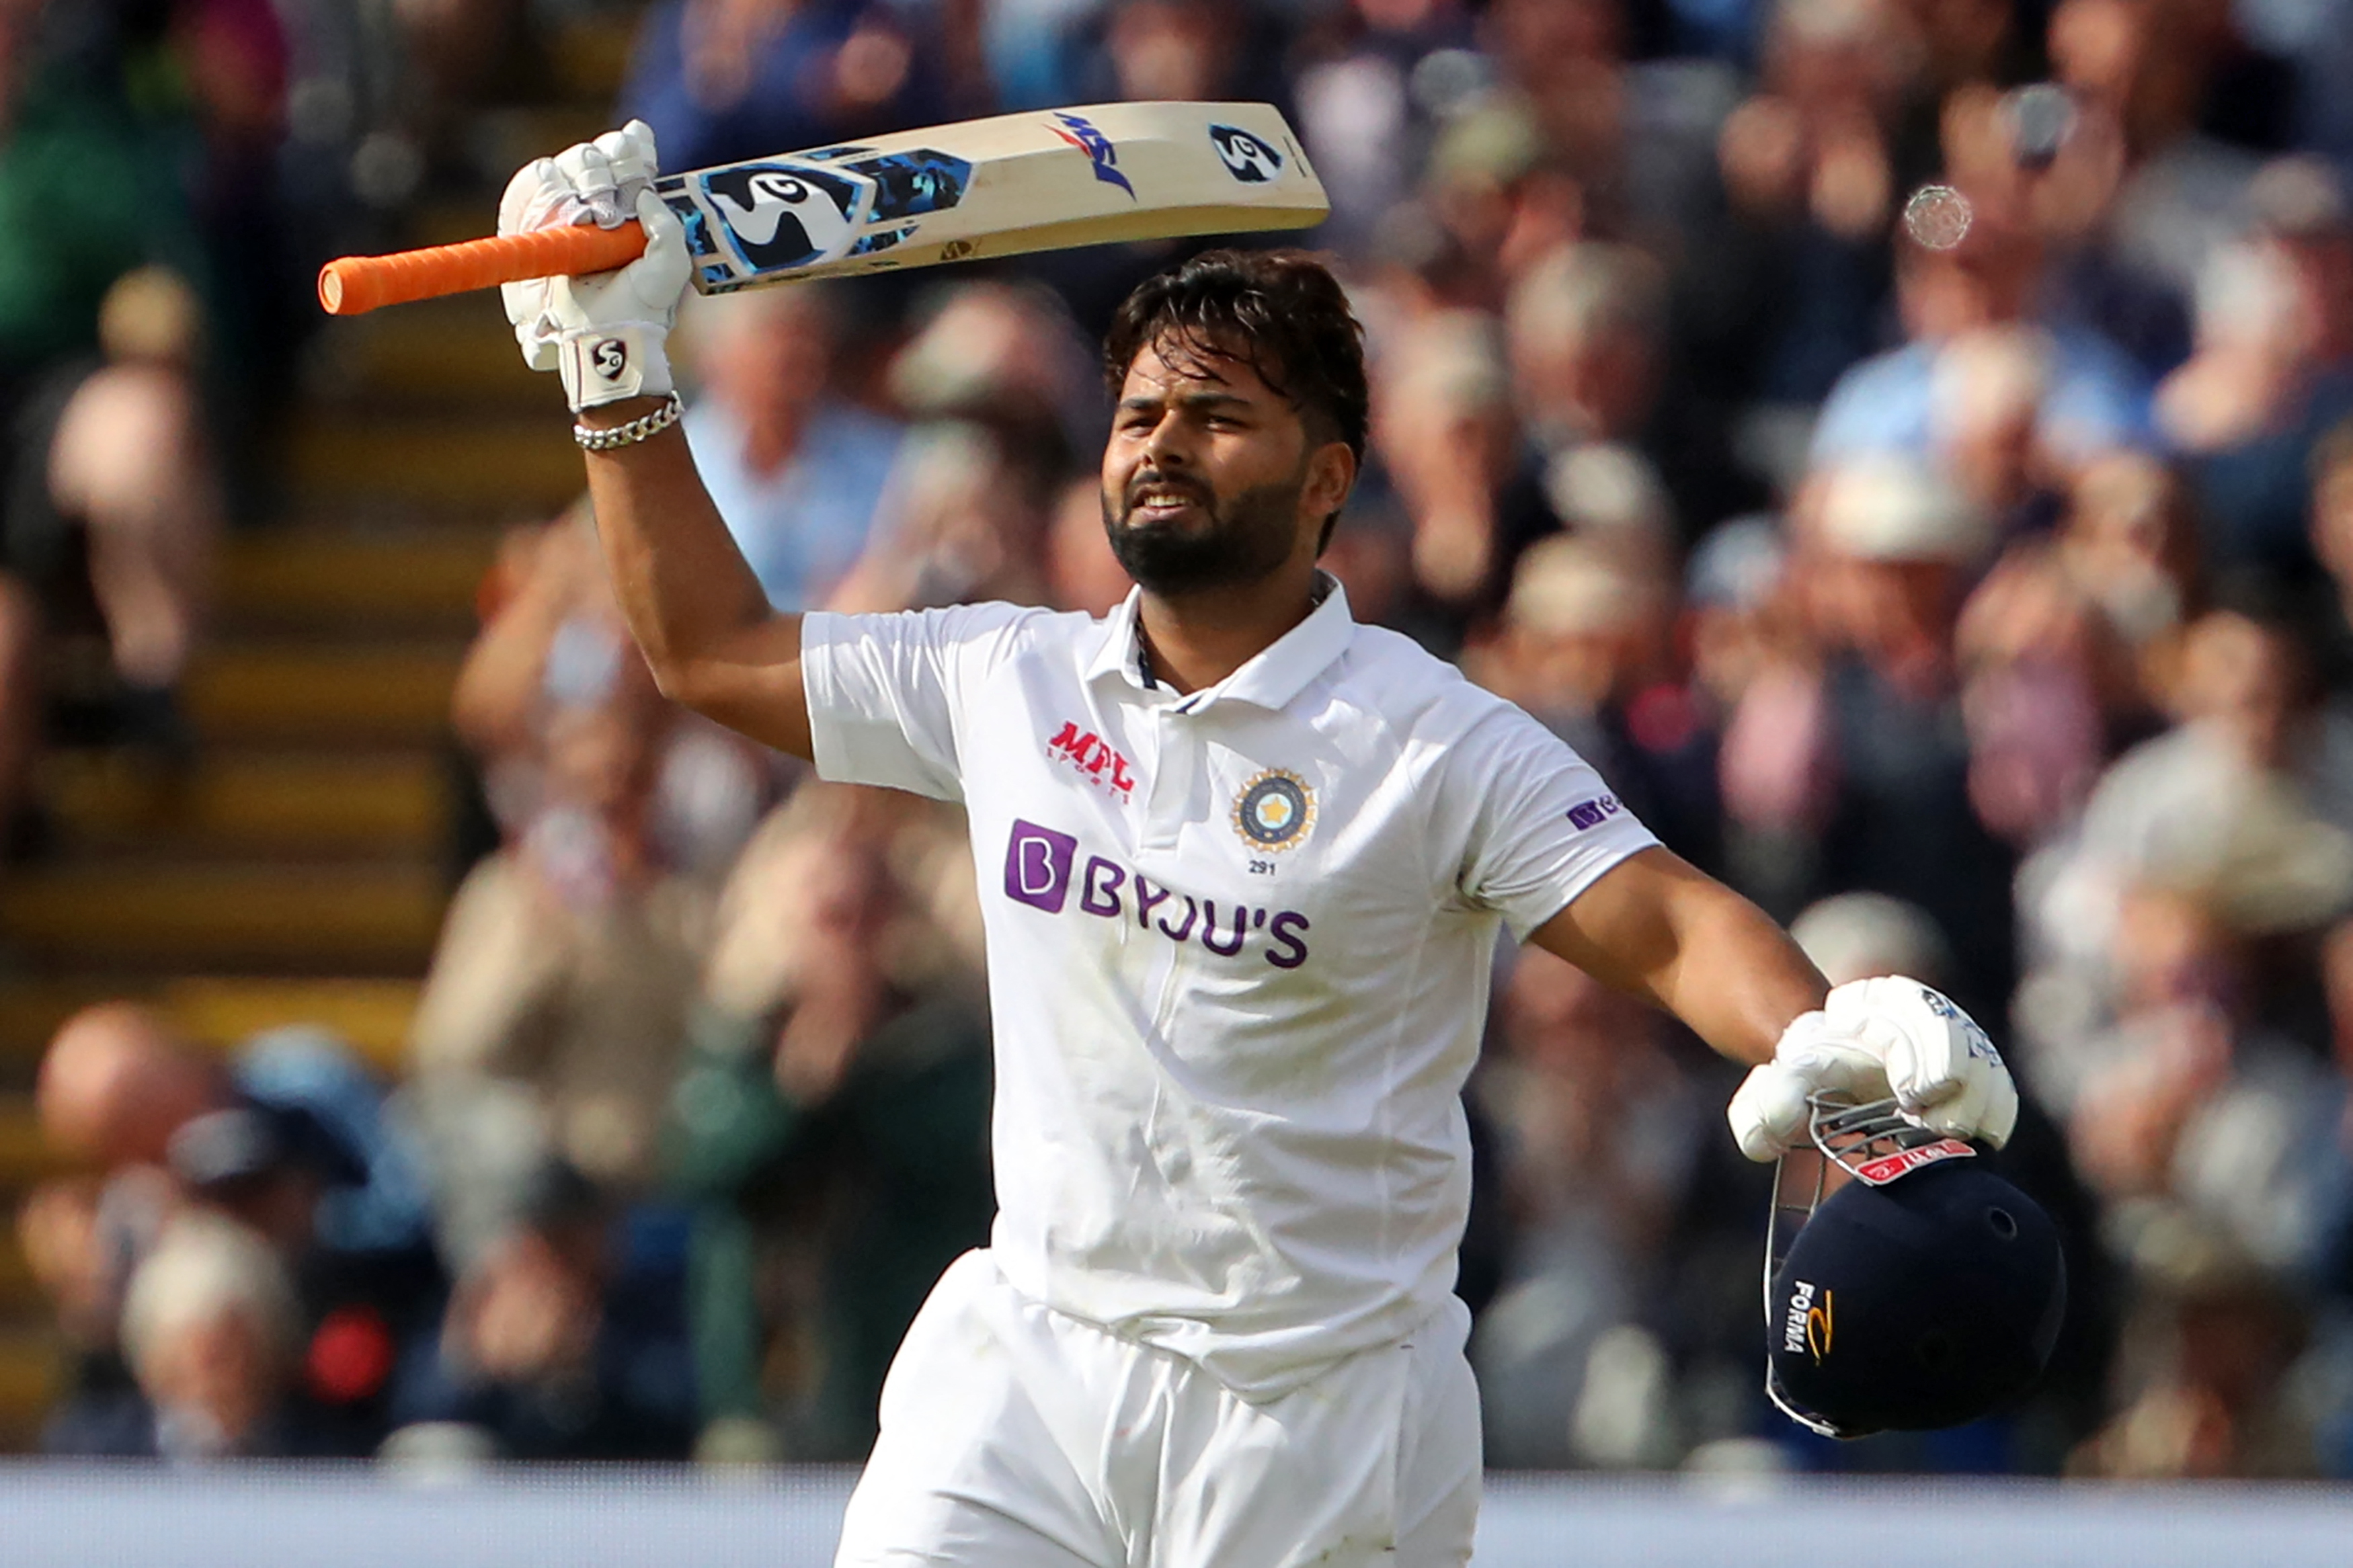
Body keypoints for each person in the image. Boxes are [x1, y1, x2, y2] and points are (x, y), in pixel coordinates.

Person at [493, 122, 2022, 1567]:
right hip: (1032, 1364)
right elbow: (708, 648)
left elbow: (1669, 924)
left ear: (1327, 479)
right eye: (1140, 415)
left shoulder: (1428, 740)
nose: (1164, 443)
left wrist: (1823, 1030)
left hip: (1321, 1416)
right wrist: (616, 367)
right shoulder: (1004, 677)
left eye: (1219, 417)